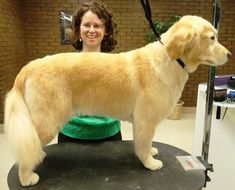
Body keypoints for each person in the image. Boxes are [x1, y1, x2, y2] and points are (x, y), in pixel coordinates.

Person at [58, 1, 122, 143]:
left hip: (110, 136)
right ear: (78, 30)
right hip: (71, 136)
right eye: (87, 25)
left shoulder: (117, 66)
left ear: (105, 31)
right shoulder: (66, 65)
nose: (92, 30)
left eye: (97, 26)